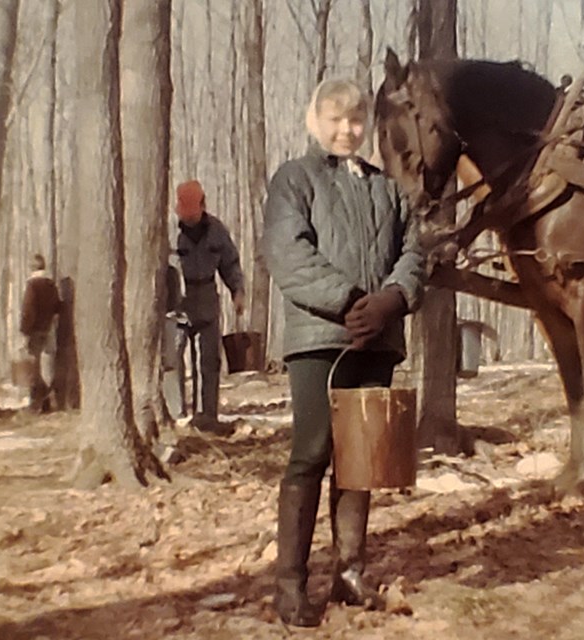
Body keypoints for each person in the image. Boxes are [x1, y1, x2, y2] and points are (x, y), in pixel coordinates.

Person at [262, 78, 425, 627]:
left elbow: (413, 251)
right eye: (334, 119)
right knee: (311, 453)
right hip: (318, 339)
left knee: (361, 460)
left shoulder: (388, 187)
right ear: (314, 119)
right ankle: (290, 586)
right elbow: (289, 255)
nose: (345, 130)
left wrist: (391, 300)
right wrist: (351, 299)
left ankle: (350, 574)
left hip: (376, 338)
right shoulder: (294, 179)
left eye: (355, 120)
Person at [173, 179, 245, 435]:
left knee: (209, 359)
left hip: (206, 296)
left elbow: (230, 263)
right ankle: (177, 413)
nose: (190, 219)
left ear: (203, 205)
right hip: (177, 300)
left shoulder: (216, 231)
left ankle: (209, 414)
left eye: (194, 213)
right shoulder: (170, 232)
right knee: (173, 356)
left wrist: (237, 291)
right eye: (185, 214)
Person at [20, 254, 61, 412]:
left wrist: (25, 330)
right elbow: (58, 306)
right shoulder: (51, 285)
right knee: (46, 365)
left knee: (33, 367)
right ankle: (47, 399)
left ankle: (37, 402)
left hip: (35, 330)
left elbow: (28, 310)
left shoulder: (32, 285)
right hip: (48, 329)